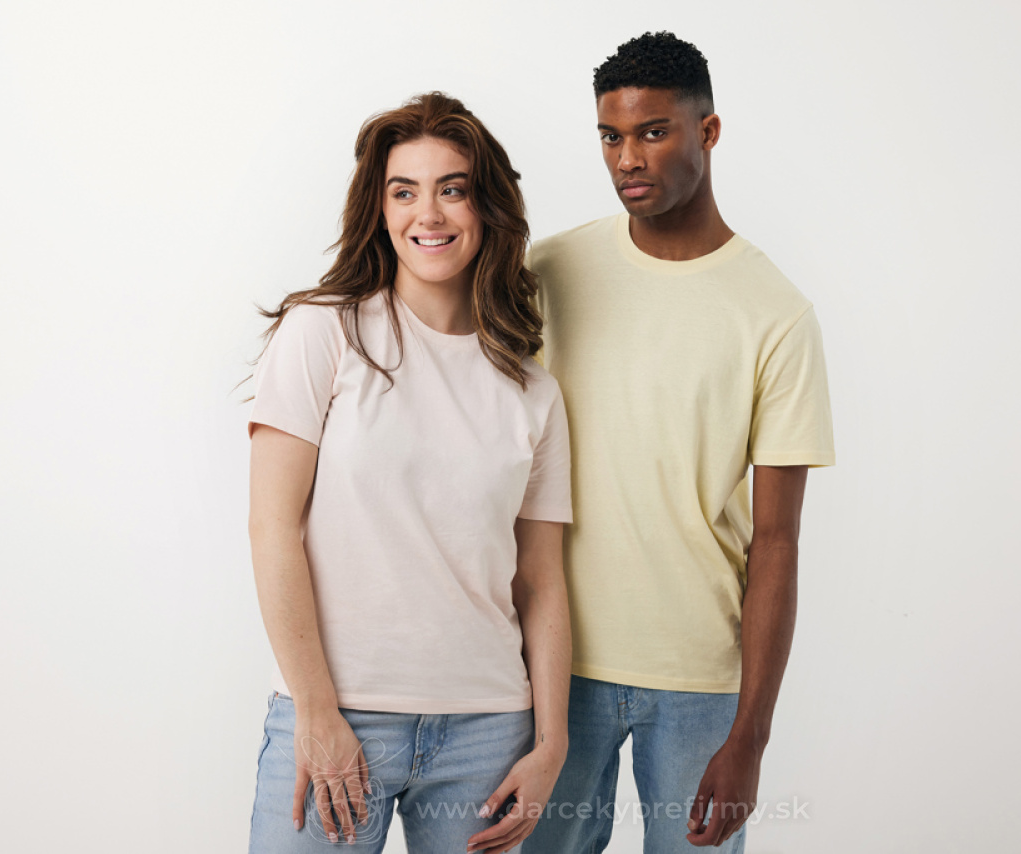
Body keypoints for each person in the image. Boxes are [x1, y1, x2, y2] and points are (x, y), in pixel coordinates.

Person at [522, 33, 836, 853]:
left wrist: (751, 739)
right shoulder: (550, 271)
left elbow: (777, 540)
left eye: (653, 132)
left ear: (709, 130)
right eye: (611, 136)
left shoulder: (776, 314)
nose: (627, 158)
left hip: (699, 678)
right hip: (554, 664)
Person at [245, 92, 573, 854]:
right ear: (380, 209)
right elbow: (272, 529)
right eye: (404, 191)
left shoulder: (533, 392)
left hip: (489, 732)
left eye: (452, 188)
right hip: (337, 714)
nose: (428, 213)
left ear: (487, 207)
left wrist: (551, 744)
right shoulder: (323, 334)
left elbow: (542, 582)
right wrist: (316, 711)